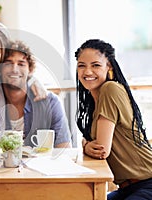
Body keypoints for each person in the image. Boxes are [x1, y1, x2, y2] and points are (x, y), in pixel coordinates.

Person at [75, 39, 152, 199]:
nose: (87, 72)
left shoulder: (111, 89)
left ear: (109, 67)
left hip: (147, 183)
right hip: (127, 188)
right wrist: (87, 145)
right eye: (82, 65)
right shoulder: (93, 101)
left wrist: (86, 145)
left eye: (95, 65)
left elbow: (102, 149)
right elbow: (90, 142)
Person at [0, 40, 72, 148]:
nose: (14, 69)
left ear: (30, 69)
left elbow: (65, 149)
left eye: (21, 64)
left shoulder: (51, 103)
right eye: (8, 63)